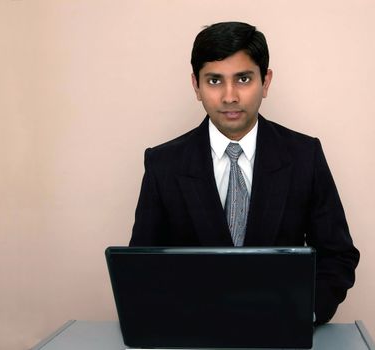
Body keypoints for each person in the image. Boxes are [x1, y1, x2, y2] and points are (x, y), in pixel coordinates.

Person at [129, 21, 360, 324]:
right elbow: (141, 267)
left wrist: (303, 313)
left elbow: (337, 256)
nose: (229, 96)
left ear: (265, 82)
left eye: (243, 79)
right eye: (213, 81)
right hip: (194, 332)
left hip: (280, 331)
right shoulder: (164, 164)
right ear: (196, 86)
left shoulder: (305, 156)